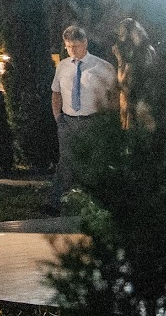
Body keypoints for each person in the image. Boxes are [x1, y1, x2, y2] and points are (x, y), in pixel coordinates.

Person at [49, 24, 119, 211]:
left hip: (93, 121)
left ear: (85, 43)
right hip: (69, 121)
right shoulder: (63, 66)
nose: (72, 50)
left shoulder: (102, 67)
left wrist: (109, 119)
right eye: (68, 47)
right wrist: (58, 117)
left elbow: (115, 95)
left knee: (95, 162)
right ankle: (59, 204)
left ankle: (97, 203)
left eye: (76, 46)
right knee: (66, 162)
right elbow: (56, 92)